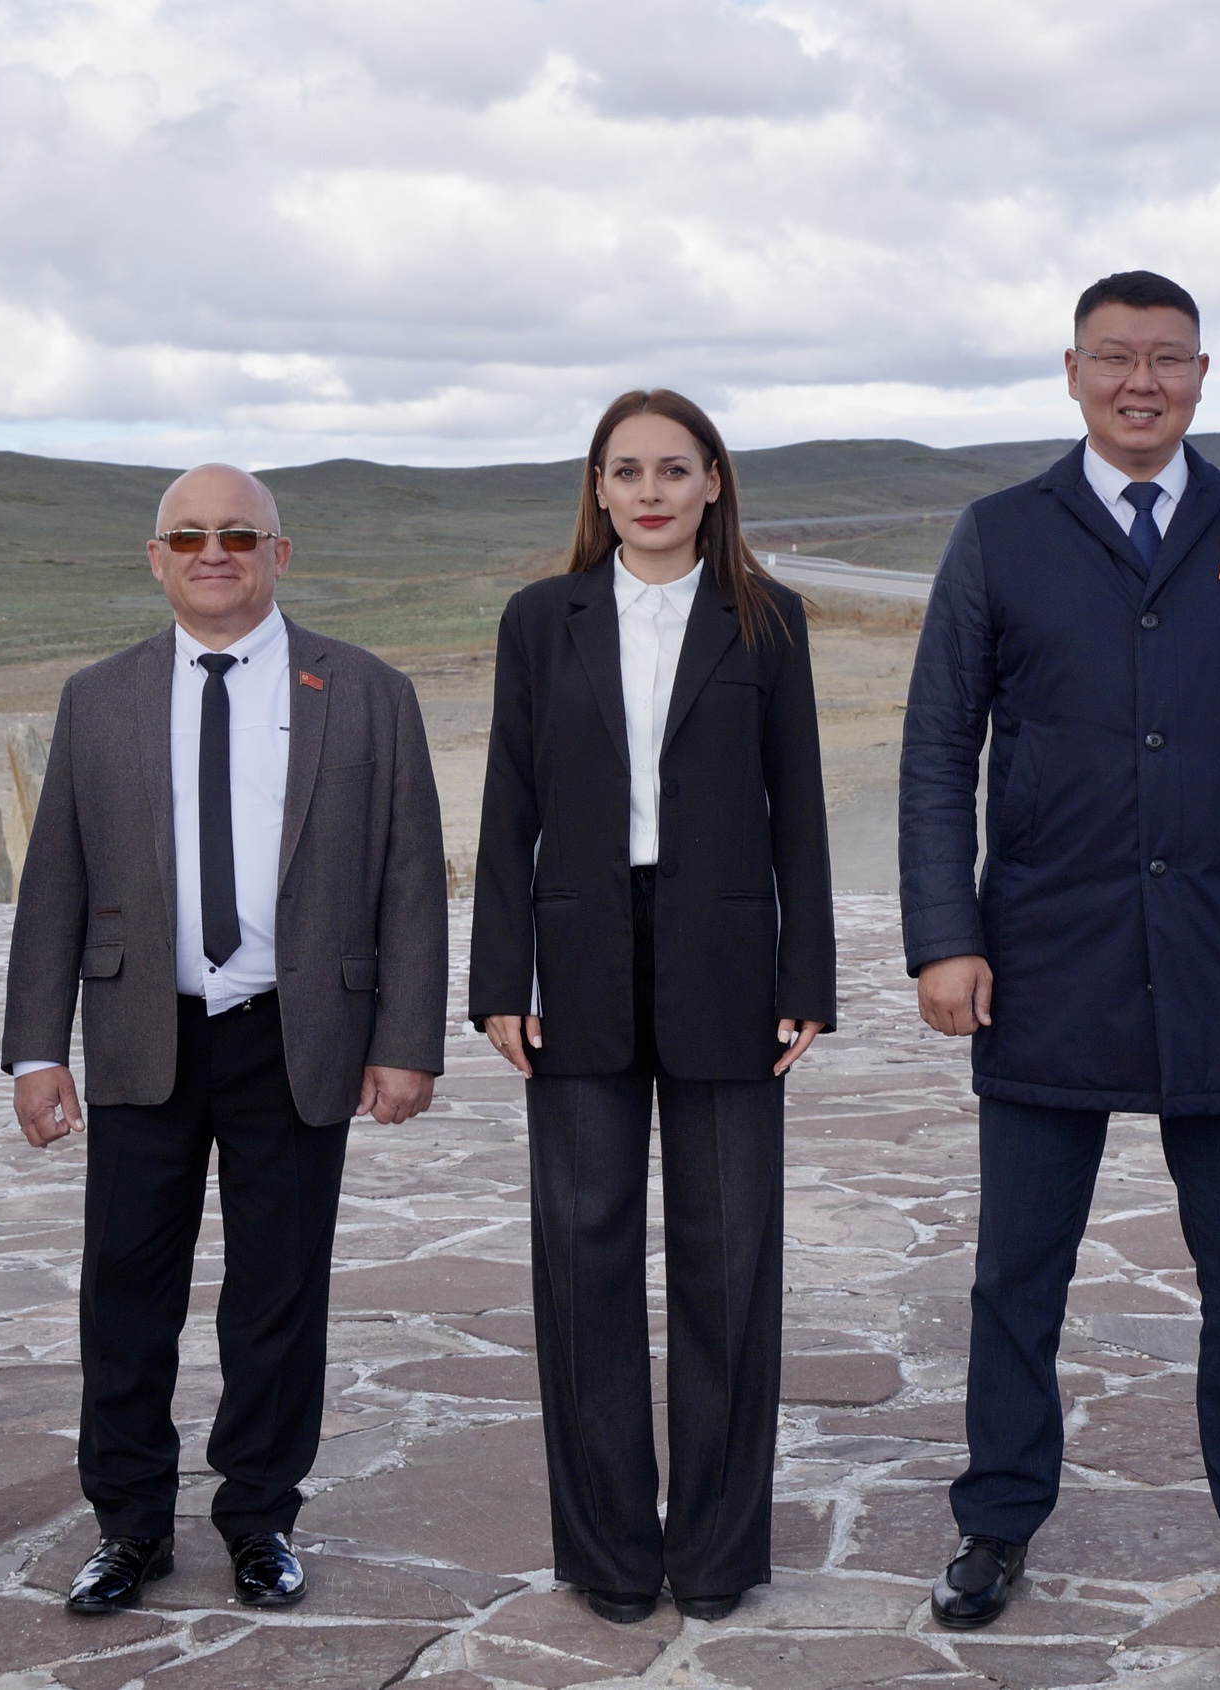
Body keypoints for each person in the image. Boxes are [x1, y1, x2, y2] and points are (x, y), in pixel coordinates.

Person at [900, 271, 1220, 1640]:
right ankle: (996, 1522)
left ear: (1202, 376)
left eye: (1167, 358)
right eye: (1115, 357)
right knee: (1018, 1274)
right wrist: (946, 936)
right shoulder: (1000, 533)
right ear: (1072, 372)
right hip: (1047, 957)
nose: (1141, 382)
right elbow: (937, 750)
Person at [0, 464, 446, 1613]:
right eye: (189, 534)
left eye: (238, 534)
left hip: (294, 1037)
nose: (214, 552)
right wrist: (37, 1047)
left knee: (277, 1294)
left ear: (277, 553)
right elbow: (55, 880)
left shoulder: (367, 691)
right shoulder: (99, 696)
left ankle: (259, 1518)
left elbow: (409, 876)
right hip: (143, 1034)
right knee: (124, 1292)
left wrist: (407, 1037)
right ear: (156, 558)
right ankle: (129, 1524)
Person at [468, 390, 835, 1626]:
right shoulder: (541, 619)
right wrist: (498, 980)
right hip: (577, 960)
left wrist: (806, 976)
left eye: (674, 468)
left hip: (726, 965)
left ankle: (718, 1550)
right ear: (598, 488)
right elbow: (507, 802)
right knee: (583, 1261)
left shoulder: (765, 616)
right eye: (625, 470)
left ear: (714, 481)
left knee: (729, 1262)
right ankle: (609, 1553)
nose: (650, 491)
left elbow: (799, 805)